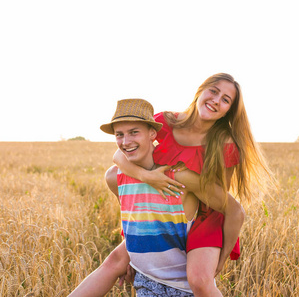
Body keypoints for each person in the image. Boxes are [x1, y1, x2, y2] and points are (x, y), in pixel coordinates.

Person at [69, 98, 246, 296]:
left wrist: (220, 260)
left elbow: (234, 210)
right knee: (113, 261)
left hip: (182, 289)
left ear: (153, 133)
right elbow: (135, 219)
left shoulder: (180, 178)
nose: (126, 142)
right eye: (119, 135)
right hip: (146, 283)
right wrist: (134, 253)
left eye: (134, 132)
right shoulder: (115, 177)